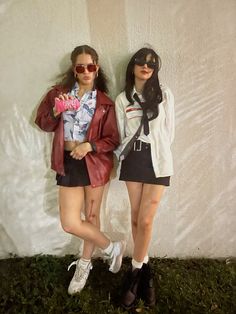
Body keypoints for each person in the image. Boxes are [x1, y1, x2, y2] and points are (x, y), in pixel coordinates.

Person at [35, 45, 126, 295]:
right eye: (81, 67)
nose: (86, 71)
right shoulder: (59, 94)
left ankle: (84, 264)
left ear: (97, 68)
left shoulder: (105, 102)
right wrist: (56, 110)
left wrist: (89, 145)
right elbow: (42, 123)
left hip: (95, 163)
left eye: (91, 66)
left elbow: (112, 139)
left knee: (92, 217)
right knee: (70, 222)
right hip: (69, 163)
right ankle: (111, 248)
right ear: (74, 70)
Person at [115, 47, 175, 309]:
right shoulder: (122, 99)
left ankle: (135, 275)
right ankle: (147, 273)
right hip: (133, 160)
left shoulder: (165, 95)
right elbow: (121, 134)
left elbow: (169, 131)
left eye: (152, 63)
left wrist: (157, 151)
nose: (146, 66)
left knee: (146, 218)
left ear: (156, 68)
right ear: (133, 66)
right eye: (141, 61)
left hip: (158, 160)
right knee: (135, 216)